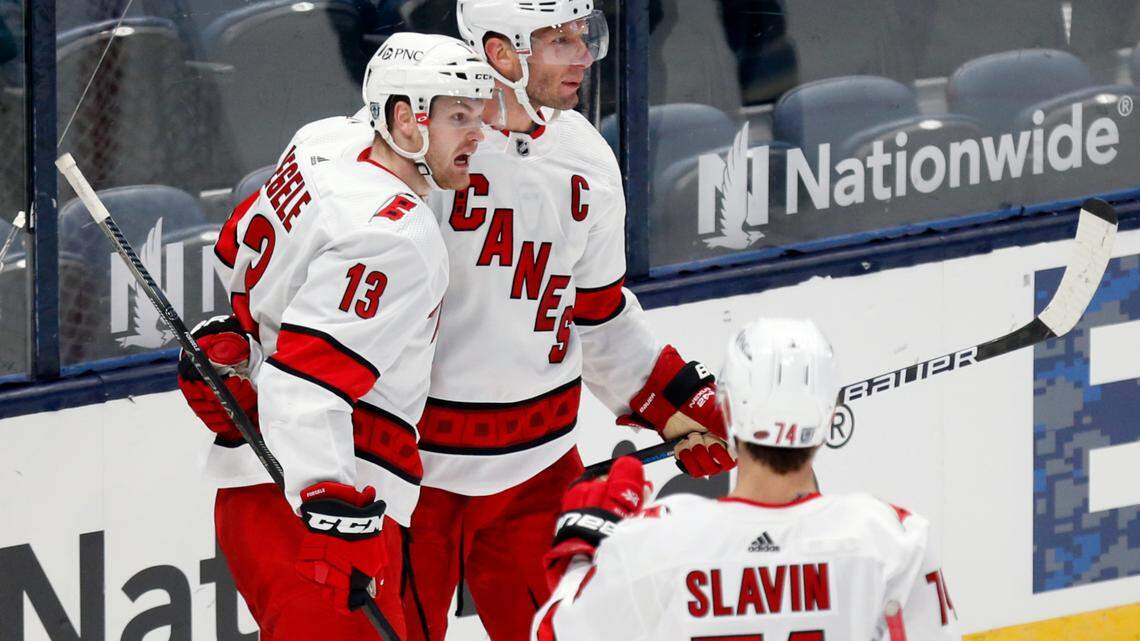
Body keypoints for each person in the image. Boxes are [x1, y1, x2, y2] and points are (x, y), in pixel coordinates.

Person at [400, 2, 735, 640]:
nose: (584, 55)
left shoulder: (585, 155)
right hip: (413, 473)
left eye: (583, 36)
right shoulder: (422, 149)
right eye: (560, 40)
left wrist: (678, 399)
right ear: (501, 54)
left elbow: (597, 311)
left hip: (538, 467)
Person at [175, 33, 495, 640]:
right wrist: (333, 512)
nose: (479, 133)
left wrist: (248, 348)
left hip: (256, 483)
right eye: (459, 116)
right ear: (405, 118)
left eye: (478, 114)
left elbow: (232, 248)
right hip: (319, 503)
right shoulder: (394, 237)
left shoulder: (321, 141)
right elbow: (307, 387)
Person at [534, 318, 962, 641]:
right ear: (831, 419)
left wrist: (583, 551)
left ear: (727, 409)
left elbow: (553, 633)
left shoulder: (657, 540)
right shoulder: (892, 540)